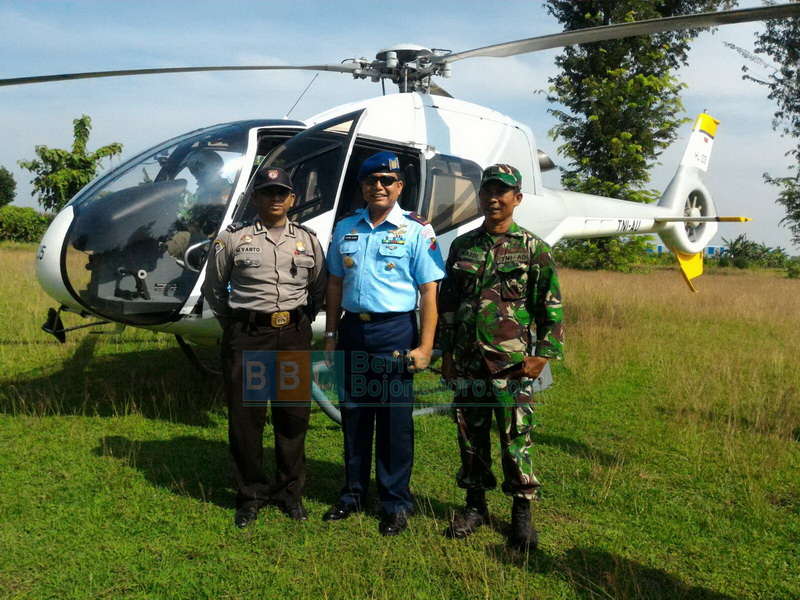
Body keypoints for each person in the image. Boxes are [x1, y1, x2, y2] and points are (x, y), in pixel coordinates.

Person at [437, 163, 564, 551]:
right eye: (488, 191)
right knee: (470, 436)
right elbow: (448, 304)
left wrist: (543, 355)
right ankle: (474, 506)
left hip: (512, 364)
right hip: (469, 360)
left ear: (517, 199)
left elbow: (551, 306)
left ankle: (521, 515)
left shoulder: (533, 248)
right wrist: (447, 353)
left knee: (515, 438)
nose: (494, 198)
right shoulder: (463, 247)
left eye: (503, 192)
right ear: (480, 197)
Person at [323, 151, 445, 536]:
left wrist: (425, 348)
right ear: (361, 186)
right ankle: (353, 493)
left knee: (394, 423)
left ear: (399, 187)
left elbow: (429, 292)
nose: (379, 187)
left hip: (394, 333)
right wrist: (330, 335)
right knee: (354, 417)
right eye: (371, 181)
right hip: (353, 333)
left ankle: (394, 501)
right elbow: (334, 283)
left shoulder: (416, 230)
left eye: (387, 181)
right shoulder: (345, 228)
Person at [202, 167, 326, 528]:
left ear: (292, 199)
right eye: (267, 192)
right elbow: (214, 288)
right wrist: (240, 324)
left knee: (292, 417)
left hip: (291, 337)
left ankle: (290, 494)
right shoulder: (233, 239)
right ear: (255, 198)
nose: (275, 198)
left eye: (281, 192)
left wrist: (298, 320)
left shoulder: (308, 240)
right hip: (249, 337)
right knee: (247, 419)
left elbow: (318, 288)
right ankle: (250, 495)